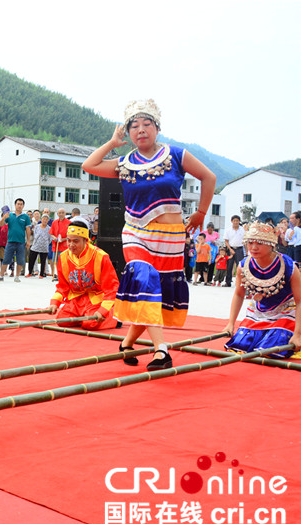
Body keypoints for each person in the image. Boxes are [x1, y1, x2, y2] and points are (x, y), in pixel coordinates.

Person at [82, 99, 216, 369]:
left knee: (155, 293)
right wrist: (111, 143)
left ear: (157, 128)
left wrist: (201, 212)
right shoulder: (123, 163)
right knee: (144, 279)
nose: (140, 130)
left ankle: (127, 343)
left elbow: (208, 177)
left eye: (146, 124)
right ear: (129, 133)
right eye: (134, 126)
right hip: (136, 232)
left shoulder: (176, 155)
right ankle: (161, 350)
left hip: (171, 236)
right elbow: (89, 164)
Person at [223, 223, 301, 359]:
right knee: (241, 344)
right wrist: (230, 324)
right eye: (250, 242)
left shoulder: (288, 266)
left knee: (272, 348)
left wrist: (298, 334)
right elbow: (238, 294)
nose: (253, 247)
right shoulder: (244, 265)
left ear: (271, 244)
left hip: (287, 312)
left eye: (259, 243)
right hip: (258, 313)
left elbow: (300, 301)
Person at [46, 219, 120, 330]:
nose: (71, 245)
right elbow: (63, 286)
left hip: (95, 298)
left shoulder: (101, 257)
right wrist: (55, 303)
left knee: (90, 324)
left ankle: (113, 316)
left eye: (76, 241)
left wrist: (103, 311)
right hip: (76, 299)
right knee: (62, 321)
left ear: (86, 240)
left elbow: (112, 288)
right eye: (69, 241)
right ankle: (85, 316)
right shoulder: (63, 257)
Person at [0, 198, 31, 282]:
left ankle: (17, 277)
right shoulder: (10, 215)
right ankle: (1, 276)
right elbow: (1, 224)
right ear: (15, 205)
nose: (19, 205)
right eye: (18, 204)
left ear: (23, 206)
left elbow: (28, 229)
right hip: (10, 241)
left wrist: (28, 241)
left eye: (21, 204)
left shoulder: (26, 217)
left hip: (21, 242)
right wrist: (4, 217)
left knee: (20, 260)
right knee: (6, 259)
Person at [224, 215, 245, 286]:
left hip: (239, 249)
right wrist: (230, 249)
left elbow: (245, 241)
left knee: (240, 266)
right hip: (231, 249)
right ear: (231, 221)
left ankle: (240, 282)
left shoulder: (242, 230)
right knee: (229, 266)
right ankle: (228, 282)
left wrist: (247, 251)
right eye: (234, 221)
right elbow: (226, 241)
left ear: (239, 221)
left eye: (237, 221)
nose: (236, 222)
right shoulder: (228, 230)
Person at [48, 208, 69, 281]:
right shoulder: (54, 222)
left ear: (65, 213)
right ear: (57, 214)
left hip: (65, 246)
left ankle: (64, 276)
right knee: (56, 261)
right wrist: (55, 238)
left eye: (62, 212)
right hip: (56, 245)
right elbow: (51, 233)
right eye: (59, 213)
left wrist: (63, 239)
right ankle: (58, 275)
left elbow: (69, 235)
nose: (61, 214)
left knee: (64, 261)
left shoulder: (69, 223)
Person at [28, 213, 51, 278]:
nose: (45, 220)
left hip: (44, 247)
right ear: (41, 219)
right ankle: (30, 272)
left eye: (46, 219)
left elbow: (50, 239)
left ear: (48, 220)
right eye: (44, 219)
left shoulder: (49, 228)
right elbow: (35, 234)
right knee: (31, 259)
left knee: (43, 261)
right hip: (35, 246)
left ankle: (41, 274)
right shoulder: (37, 226)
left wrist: (45, 243)